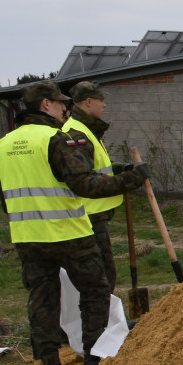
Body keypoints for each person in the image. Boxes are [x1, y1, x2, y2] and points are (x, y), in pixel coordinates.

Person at [0, 81, 150, 365]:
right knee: (95, 292)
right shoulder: (55, 139)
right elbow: (86, 186)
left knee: (42, 302)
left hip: (28, 238)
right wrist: (133, 178)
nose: (64, 107)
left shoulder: (6, 144)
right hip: (69, 234)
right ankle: (95, 363)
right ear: (45, 105)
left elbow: (4, 198)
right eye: (59, 102)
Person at [62, 81, 125, 292]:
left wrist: (117, 168)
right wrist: (128, 180)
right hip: (87, 216)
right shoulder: (77, 134)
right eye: (101, 100)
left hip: (94, 215)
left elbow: (93, 167)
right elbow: (83, 179)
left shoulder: (86, 129)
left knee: (104, 274)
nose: (104, 106)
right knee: (102, 276)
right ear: (88, 102)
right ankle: (104, 323)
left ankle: (105, 320)